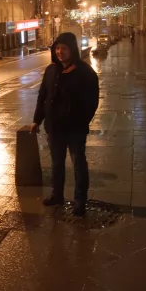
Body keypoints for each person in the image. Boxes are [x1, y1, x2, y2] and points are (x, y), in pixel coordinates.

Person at [30, 32, 99, 216]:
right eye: (57, 48)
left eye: (64, 48)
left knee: (78, 164)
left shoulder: (85, 73)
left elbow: (92, 102)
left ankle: (80, 200)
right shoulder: (51, 70)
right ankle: (57, 195)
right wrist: (37, 120)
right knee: (56, 163)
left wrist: (81, 121)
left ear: (72, 50)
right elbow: (43, 96)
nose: (60, 52)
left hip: (75, 129)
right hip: (55, 128)